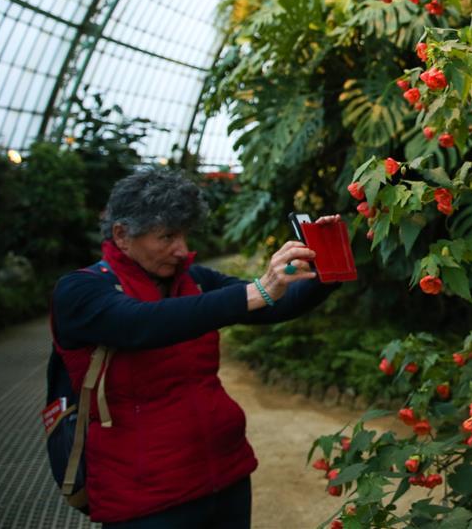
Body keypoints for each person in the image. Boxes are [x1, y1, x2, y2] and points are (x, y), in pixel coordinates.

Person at [50, 168, 340, 528]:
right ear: (122, 235)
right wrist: (257, 291)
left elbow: (275, 305)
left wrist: (332, 266)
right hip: (145, 498)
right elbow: (141, 323)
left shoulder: (194, 280)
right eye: (167, 236)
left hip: (226, 475)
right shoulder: (80, 291)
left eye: (184, 234)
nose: (182, 250)